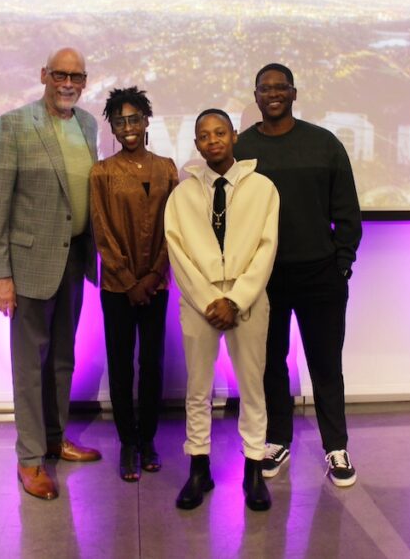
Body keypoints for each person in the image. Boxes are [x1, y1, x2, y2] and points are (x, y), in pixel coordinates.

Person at [0, 47, 102, 501]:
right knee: (30, 365)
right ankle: (30, 458)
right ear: (44, 75)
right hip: (29, 266)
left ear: (85, 81)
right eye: (59, 74)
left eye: (76, 76)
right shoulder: (12, 125)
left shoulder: (87, 124)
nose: (68, 83)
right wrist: (1, 273)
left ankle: (54, 438)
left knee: (63, 359)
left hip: (74, 261)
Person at [234, 63, 363, 487]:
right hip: (264, 278)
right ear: (255, 95)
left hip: (321, 275)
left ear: (294, 93)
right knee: (270, 363)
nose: (273, 94)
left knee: (325, 364)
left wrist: (342, 260)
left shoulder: (323, 143)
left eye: (281, 87)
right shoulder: (241, 148)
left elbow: (346, 209)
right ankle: (277, 440)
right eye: (264, 88)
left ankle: (336, 447)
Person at [164, 108, 279, 512]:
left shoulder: (263, 188)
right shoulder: (182, 195)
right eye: (204, 135)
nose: (212, 140)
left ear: (234, 137)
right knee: (198, 388)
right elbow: (177, 251)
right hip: (200, 302)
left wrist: (236, 299)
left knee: (252, 386)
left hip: (247, 299)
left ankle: (253, 468)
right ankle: (199, 468)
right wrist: (207, 299)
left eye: (220, 133)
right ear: (197, 144)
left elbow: (266, 247)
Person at [89, 86, 178, 482]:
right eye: (120, 121)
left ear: (146, 122)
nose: (128, 127)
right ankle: (128, 441)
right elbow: (102, 231)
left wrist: (155, 274)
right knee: (121, 364)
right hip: (117, 288)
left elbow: (174, 227)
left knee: (153, 364)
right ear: (112, 127)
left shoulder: (167, 169)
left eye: (134, 119)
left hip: (157, 284)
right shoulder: (102, 173)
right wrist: (129, 281)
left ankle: (148, 439)